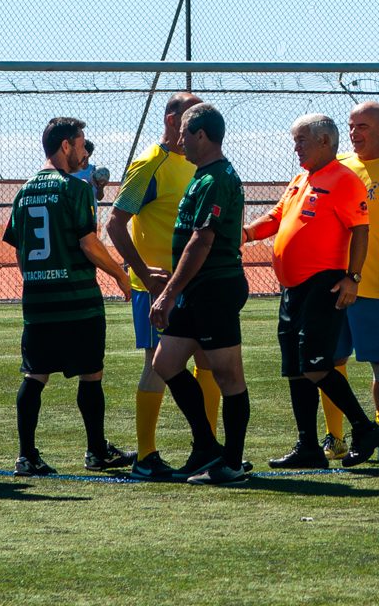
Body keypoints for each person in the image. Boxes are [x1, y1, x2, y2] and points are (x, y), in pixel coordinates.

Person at [243, 113, 379, 469]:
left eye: (302, 140)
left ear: (325, 141)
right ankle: (308, 445)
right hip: (292, 288)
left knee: (316, 363)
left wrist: (353, 277)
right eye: (295, 140)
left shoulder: (344, 180)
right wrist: (243, 234)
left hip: (324, 283)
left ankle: (365, 429)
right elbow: (276, 218)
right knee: (295, 366)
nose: (296, 147)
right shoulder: (301, 179)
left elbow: (361, 230)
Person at [3, 117, 133, 476]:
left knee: (34, 375)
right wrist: (121, 276)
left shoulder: (24, 190)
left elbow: (19, 247)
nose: (83, 151)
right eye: (81, 143)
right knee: (91, 374)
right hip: (77, 300)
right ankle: (95, 451)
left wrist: (34, 279)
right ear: (65, 146)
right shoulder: (75, 190)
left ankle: (26, 456)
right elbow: (88, 243)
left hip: (39, 303)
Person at [107, 91, 224, 480]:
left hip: (195, 284)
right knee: (156, 366)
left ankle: (206, 448)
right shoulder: (150, 165)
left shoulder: (198, 161)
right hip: (157, 290)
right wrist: (143, 271)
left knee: (209, 362)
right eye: (192, 115)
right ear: (173, 120)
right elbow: (114, 222)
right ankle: (145, 456)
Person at [150, 103, 252, 486]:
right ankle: (207, 447)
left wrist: (169, 293)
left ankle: (232, 464)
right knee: (166, 363)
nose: (179, 141)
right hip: (195, 290)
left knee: (228, 376)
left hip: (214, 288)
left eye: (184, 135)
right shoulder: (202, 176)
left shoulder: (216, 178)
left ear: (202, 136)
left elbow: (202, 241)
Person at [320, 101, 379, 463]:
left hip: (376, 286)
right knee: (330, 361)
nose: (354, 133)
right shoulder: (339, 170)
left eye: (363, 126)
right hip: (338, 285)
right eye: (351, 127)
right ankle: (334, 437)